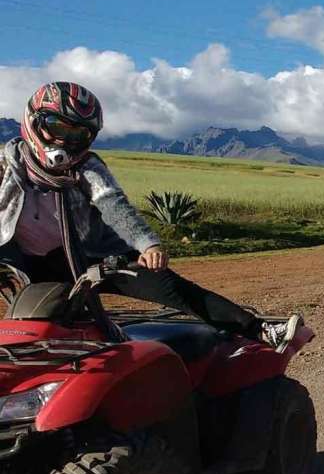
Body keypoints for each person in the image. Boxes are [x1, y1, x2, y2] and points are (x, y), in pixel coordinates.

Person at [0, 81, 301, 348]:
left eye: (78, 134)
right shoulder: (5, 167)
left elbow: (113, 205)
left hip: (94, 258)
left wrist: (146, 243)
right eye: (57, 127)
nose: (65, 141)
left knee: (174, 289)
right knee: (39, 328)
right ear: (34, 121)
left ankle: (258, 329)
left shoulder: (87, 168)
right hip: (29, 263)